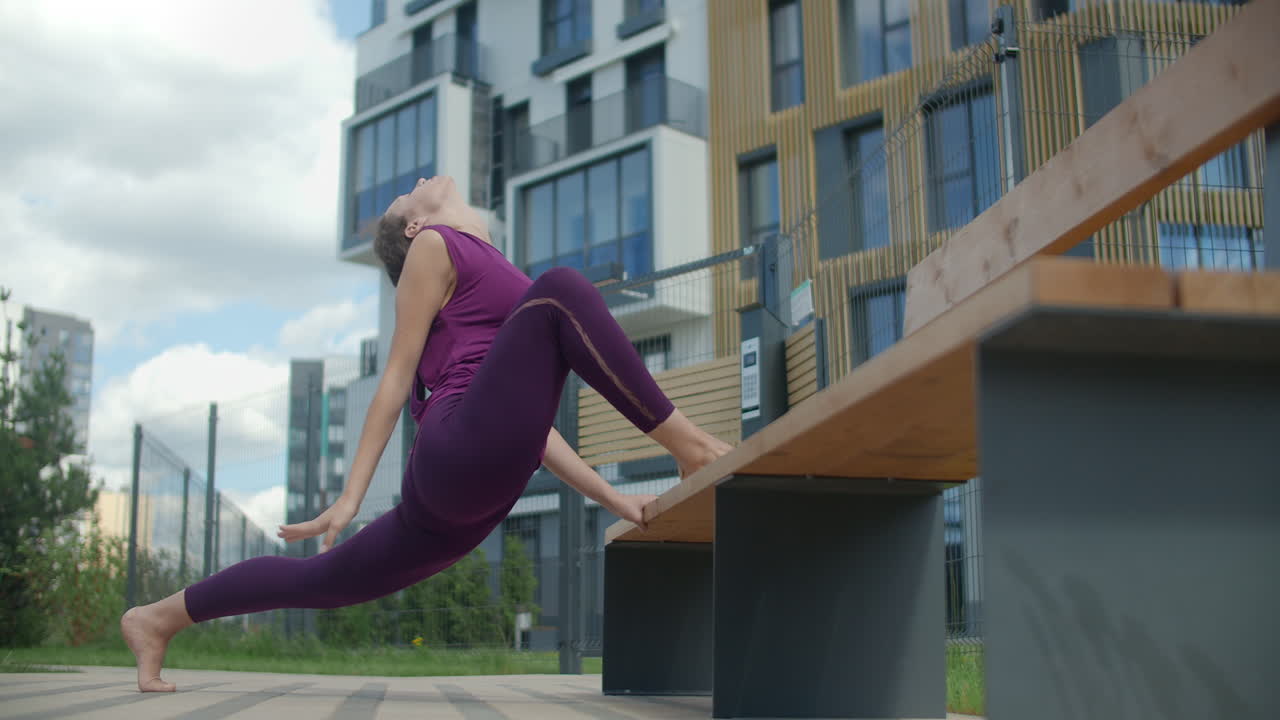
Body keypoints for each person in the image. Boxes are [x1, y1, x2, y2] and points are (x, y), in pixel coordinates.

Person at [121, 175, 734, 692]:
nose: (418, 182)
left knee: (319, 581)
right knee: (563, 290)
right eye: (406, 197)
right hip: (453, 451)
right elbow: (394, 377)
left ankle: (155, 619)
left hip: (470, 495)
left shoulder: (497, 277)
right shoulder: (435, 247)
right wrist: (350, 497)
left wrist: (617, 500)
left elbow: (531, 432)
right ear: (412, 229)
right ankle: (695, 449)